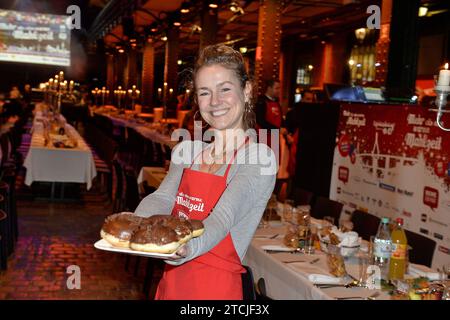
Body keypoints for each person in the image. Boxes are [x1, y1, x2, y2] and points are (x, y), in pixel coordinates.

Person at [134, 44, 277, 300]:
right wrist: (137, 227)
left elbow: (222, 218)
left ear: (246, 91)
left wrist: (186, 248)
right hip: (172, 285)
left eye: (225, 89)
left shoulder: (258, 159)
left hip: (215, 291)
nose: (214, 102)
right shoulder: (188, 151)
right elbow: (163, 198)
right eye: (204, 92)